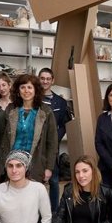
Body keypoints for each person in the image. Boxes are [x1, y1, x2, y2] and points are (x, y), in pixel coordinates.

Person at [0, 73, 58, 184]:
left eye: (30, 87)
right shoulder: (10, 110)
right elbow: (1, 137)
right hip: (12, 164)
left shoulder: (46, 111)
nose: (26, 91)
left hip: (35, 164)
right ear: (18, 90)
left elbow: (52, 142)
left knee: (32, 198)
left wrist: (49, 168)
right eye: (23, 87)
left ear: (36, 90)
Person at [39, 68, 72, 212]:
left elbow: (65, 124)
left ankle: (54, 212)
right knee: (35, 182)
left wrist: (55, 139)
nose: (45, 81)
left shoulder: (61, 102)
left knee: (53, 180)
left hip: (53, 148)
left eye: (48, 78)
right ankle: (37, 214)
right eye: (42, 78)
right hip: (35, 147)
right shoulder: (32, 99)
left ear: (52, 80)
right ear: (38, 79)